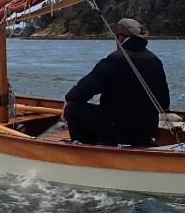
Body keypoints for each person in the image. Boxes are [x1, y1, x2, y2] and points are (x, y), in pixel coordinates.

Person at [64, 18, 170, 147]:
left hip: (119, 131)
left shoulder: (114, 60)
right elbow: (164, 103)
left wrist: (69, 98)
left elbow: (84, 90)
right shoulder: (155, 61)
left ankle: (85, 150)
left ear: (120, 38)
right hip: (147, 131)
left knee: (72, 108)